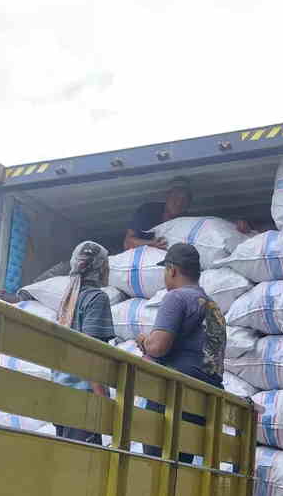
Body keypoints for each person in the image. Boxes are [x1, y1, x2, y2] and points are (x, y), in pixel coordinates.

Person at [136, 243, 226, 461]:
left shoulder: (176, 297)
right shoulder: (213, 306)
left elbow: (158, 347)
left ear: (172, 270)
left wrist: (145, 341)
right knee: (181, 467)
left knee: (157, 468)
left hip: (174, 394)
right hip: (205, 398)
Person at [52, 241, 114, 444]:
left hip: (60, 396)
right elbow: (92, 352)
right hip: (83, 401)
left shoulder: (68, 299)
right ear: (101, 268)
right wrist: (103, 401)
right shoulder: (97, 299)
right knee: (84, 462)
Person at [124, 177, 192, 251]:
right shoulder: (148, 211)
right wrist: (153, 244)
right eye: (175, 197)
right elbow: (127, 244)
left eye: (184, 199)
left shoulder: (188, 222)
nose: (179, 203)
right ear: (167, 196)